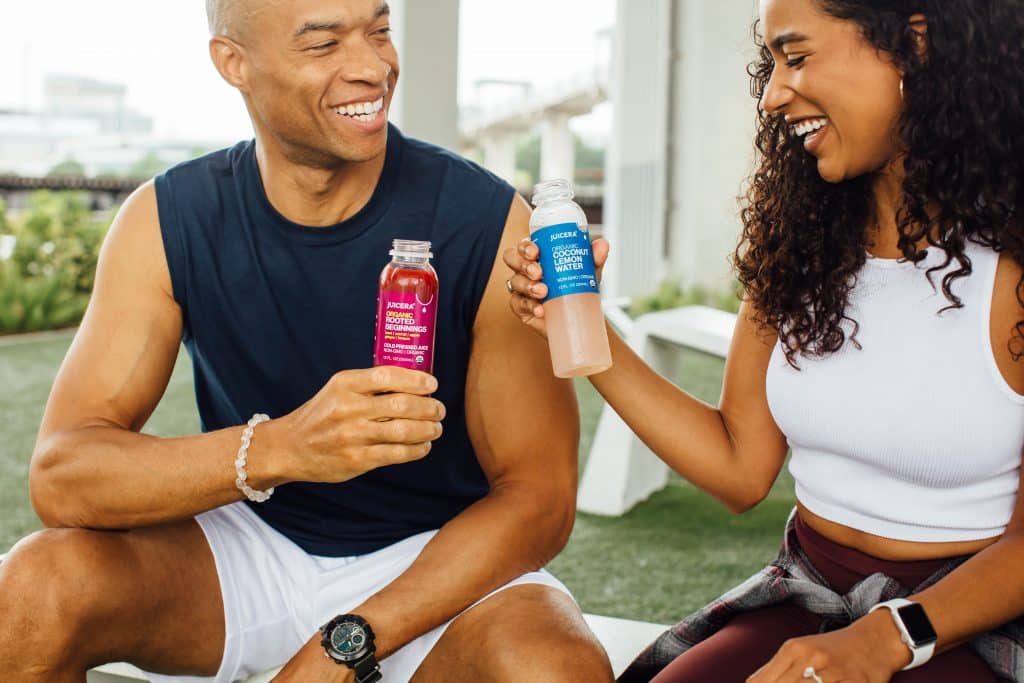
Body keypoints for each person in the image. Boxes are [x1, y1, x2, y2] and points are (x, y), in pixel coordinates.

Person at [0, 1, 616, 681]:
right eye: (323, 44)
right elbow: (63, 473)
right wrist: (282, 448)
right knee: (31, 591)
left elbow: (541, 498)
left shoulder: (490, 220)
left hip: (438, 558)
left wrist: (346, 641)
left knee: (553, 669)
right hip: (254, 540)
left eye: (379, 30)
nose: (372, 67)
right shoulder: (165, 218)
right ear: (234, 63)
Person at [505, 0, 1024, 681]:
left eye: (798, 56)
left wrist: (884, 637)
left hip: (967, 616)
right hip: (808, 590)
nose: (774, 93)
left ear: (914, 44)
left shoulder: (1010, 266)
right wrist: (581, 324)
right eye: (772, 63)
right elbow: (739, 467)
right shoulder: (801, 242)